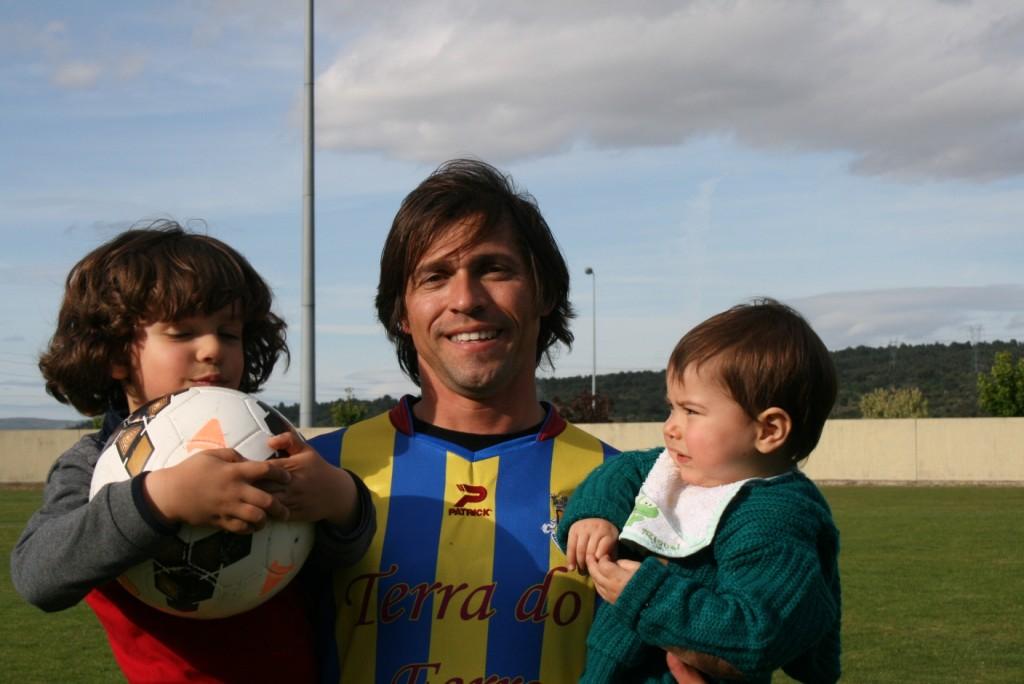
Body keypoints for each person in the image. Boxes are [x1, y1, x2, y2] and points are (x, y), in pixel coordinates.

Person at [11, 223, 375, 683]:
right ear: (116, 354)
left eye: (229, 333)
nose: (212, 349)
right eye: (182, 333)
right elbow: (37, 576)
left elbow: (334, 565)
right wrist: (160, 500)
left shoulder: (271, 444)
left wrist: (342, 502)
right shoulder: (90, 463)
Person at [307, 159, 620, 683]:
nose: (466, 300)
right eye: (435, 276)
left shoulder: (622, 484)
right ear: (401, 313)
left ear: (543, 293)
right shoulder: (322, 475)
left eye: (494, 269)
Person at [559, 299, 842, 683]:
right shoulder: (676, 468)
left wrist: (644, 596)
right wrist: (597, 514)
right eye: (671, 408)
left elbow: (757, 632)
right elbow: (622, 471)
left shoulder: (776, 519)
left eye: (691, 411)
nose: (670, 427)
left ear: (768, 430)